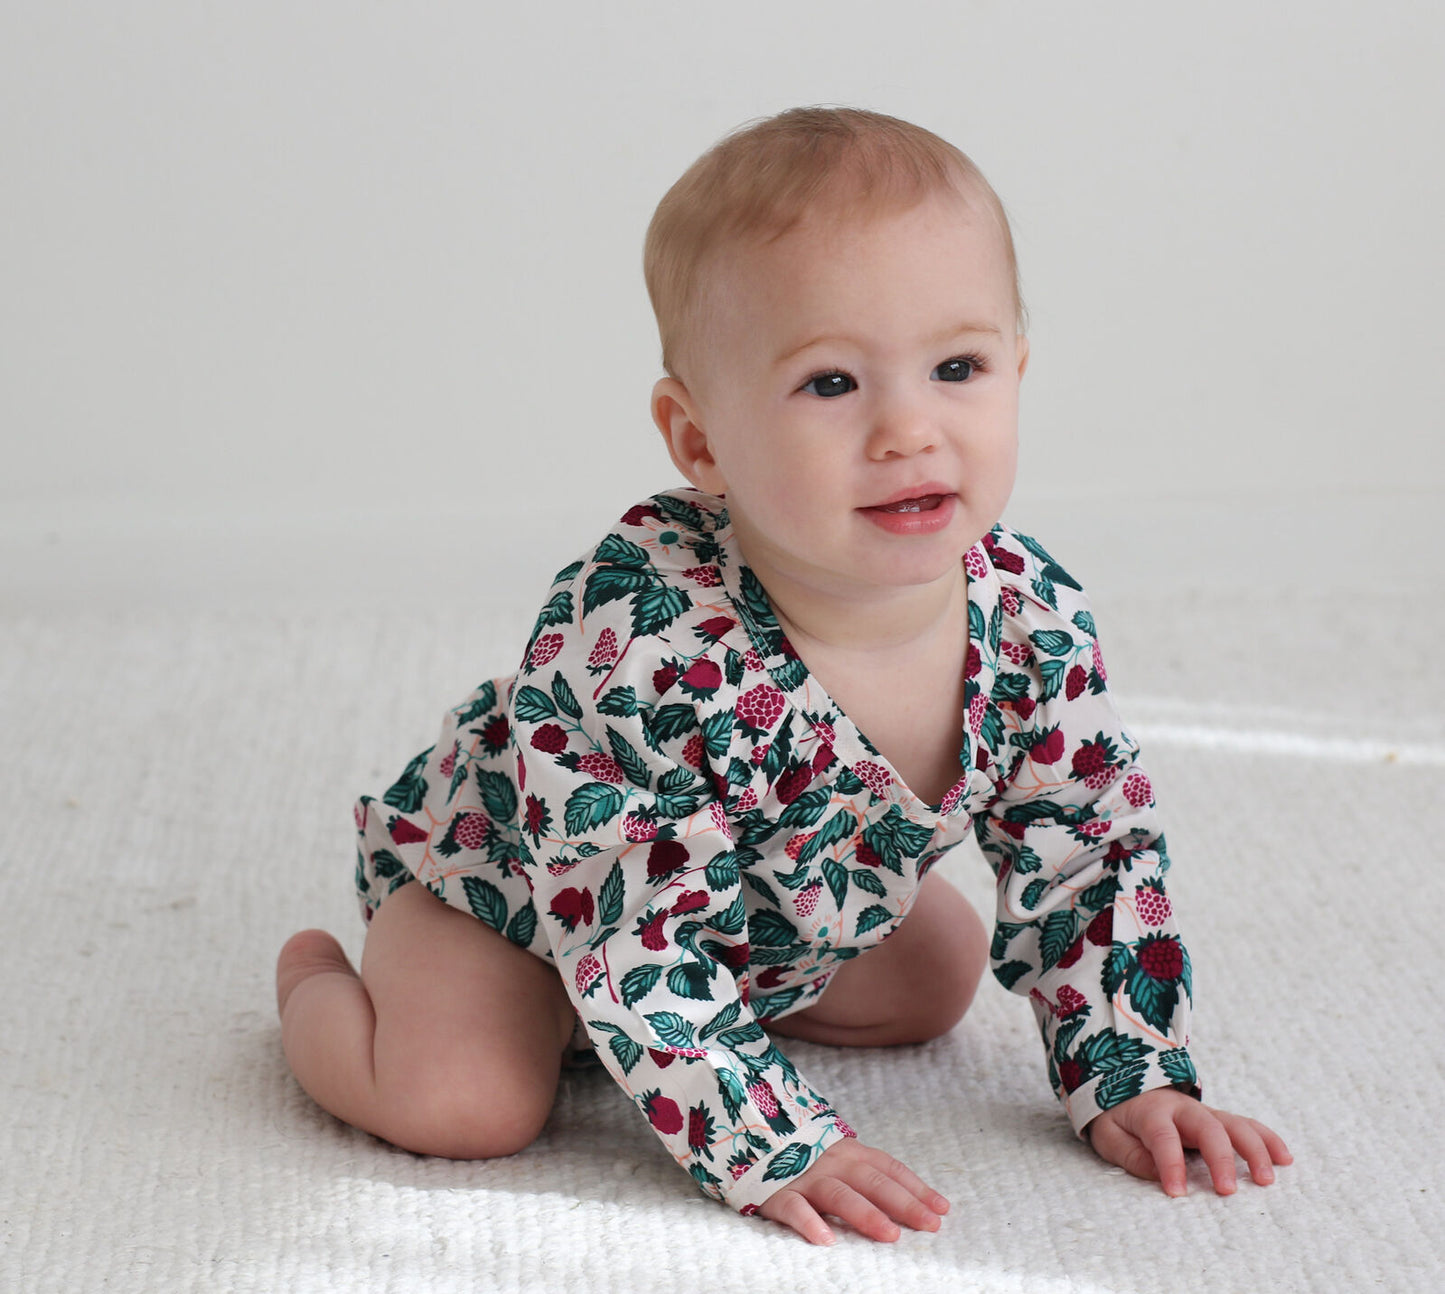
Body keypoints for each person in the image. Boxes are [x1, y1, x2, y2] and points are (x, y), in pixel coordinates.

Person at [276, 106, 1291, 1246]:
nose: (908, 427)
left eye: (955, 366)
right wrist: (772, 1139)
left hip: (763, 926)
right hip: (525, 904)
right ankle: (320, 990)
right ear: (699, 440)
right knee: (466, 1103)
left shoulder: (1028, 614)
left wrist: (1133, 1071)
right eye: (828, 384)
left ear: (1016, 367)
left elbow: (1090, 845)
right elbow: (633, 922)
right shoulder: (641, 627)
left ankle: (687, 1031)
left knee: (935, 972)